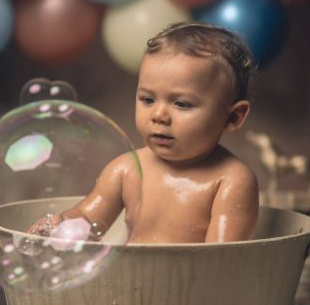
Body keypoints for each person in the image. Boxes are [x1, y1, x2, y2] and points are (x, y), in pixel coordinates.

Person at [28, 21, 259, 243]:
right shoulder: (126, 169)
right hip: (130, 281)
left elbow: (225, 260)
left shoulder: (232, 180)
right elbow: (87, 219)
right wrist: (61, 225)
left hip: (196, 283)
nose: (158, 115)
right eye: (148, 99)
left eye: (181, 104)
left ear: (232, 117)